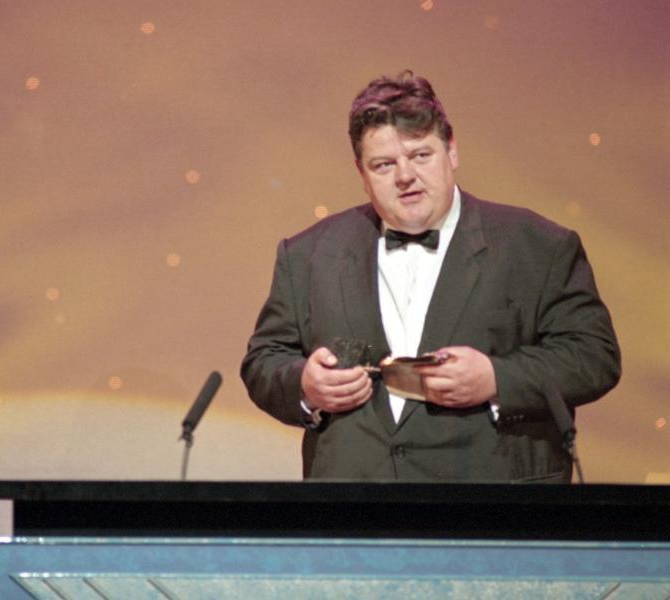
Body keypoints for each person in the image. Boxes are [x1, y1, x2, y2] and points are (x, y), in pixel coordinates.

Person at [241, 71, 620, 482]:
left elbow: (593, 357)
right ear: (361, 172)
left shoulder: (537, 245)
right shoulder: (309, 254)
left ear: (452, 151)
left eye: (421, 156)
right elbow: (264, 360)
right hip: (352, 515)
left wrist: (496, 378)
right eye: (384, 164)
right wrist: (305, 385)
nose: (405, 176)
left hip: (493, 512)